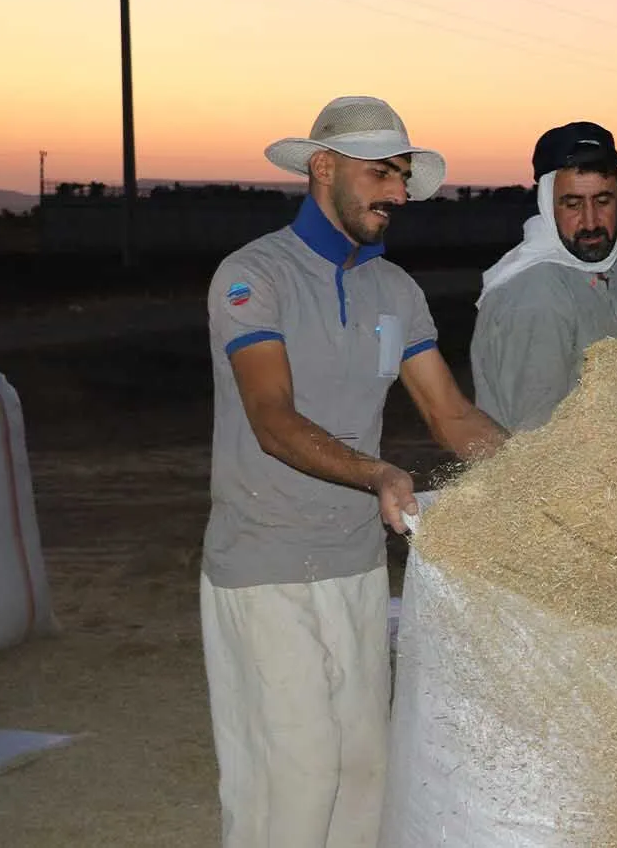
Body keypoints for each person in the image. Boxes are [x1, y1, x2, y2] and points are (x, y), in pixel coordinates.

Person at [200, 95, 506, 848]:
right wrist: (377, 474)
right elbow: (271, 418)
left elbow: (452, 418)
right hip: (265, 561)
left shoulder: (394, 292)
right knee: (299, 776)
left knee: (368, 770)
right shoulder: (252, 278)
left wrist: (551, 474)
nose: (398, 194)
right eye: (382, 173)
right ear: (324, 168)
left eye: (403, 176)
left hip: (356, 564)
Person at [470, 121, 617, 432]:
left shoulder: (608, 270)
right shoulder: (537, 293)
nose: (590, 222)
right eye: (573, 204)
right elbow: (540, 444)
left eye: (603, 201)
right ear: (548, 205)